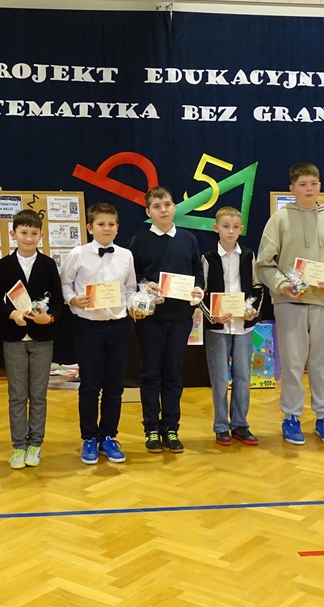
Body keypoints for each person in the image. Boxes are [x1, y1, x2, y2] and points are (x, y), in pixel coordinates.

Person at [256, 162, 324, 446]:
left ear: (320, 186)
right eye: (302, 185)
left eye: (313, 184)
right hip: (290, 302)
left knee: (322, 362)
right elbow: (264, 264)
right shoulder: (279, 219)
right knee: (293, 363)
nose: (309, 189)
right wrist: (282, 285)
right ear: (292, 189)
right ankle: (291, 417)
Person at [128, 186, 204, 454]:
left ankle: (171, 427)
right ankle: (151, 428)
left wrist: (199, 289)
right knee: (151, 373)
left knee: (173, 373)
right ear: (148, 211)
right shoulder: (139, 240)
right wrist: (144, 285)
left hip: (181, 317)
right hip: (150, 319)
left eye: (168, 204)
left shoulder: (188, 239)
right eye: (157, 206)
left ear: (174, 207)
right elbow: (132, 276)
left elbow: (197, 272)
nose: (164, 210)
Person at [62, 202, 137, 465]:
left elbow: (130, 288)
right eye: (101, 224)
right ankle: (89, 437)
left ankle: (108, 436)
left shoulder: (126, 255)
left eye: (111, 224)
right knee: (90, 385)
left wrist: (134, 305)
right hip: (88, 327)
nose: (107, 228)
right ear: (89, 227)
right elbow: (65, 283)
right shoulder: (78, 254)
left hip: (118, 326)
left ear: (118, 227)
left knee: (114, 385)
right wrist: (73, 300)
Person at [0, 209, 62, 470]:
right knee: (17, 395)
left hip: (43, 338)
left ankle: (36, 444)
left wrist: (49, 318)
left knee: (39, 395)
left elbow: (58, 301)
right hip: (13, 338)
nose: (29, 238)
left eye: (34, 233)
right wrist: (12, 314)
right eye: (24, 233)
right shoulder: (3, 266)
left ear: (41, 235)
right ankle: (19, 445)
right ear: (13, 234)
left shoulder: (48, 264)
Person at [202, 206, 264, 447]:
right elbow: (201, 292)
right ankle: (221, 426)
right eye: (225, 226)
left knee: (243, 376)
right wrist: (212, 316)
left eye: (235, 227)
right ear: (216, 228)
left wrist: (252, 310)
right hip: (218, 327)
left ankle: (240, 424)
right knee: (219, 379)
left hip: (243, 326)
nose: (230, 231)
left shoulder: (248, 255)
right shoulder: (208, 257)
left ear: (241, 229)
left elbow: (257, 287)